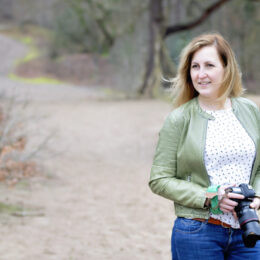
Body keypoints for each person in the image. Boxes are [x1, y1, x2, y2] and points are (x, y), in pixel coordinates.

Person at [149, 33, 260, 259]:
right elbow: (159, 179)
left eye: (209, 65)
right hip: (198, 231)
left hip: (249, 231)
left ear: (227, 68)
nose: (201, 74)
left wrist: (258, 195)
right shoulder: (179, 119)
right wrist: (209, 196)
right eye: (195, 67)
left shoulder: (250, 111)